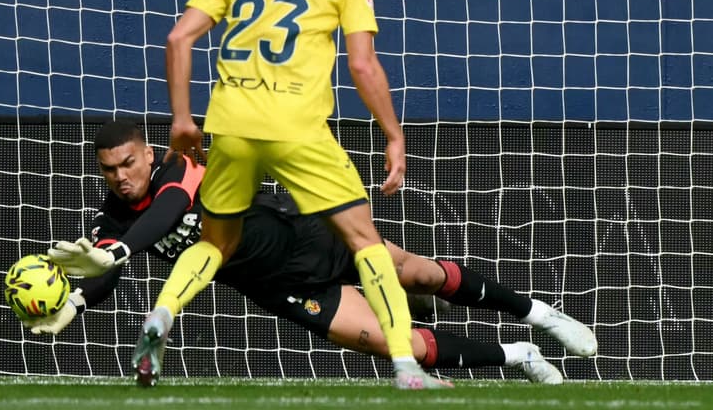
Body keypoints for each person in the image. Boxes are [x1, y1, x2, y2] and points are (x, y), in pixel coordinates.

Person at [43, 120, 597, 387]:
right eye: (110, 170)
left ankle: (539, 314)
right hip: (281, 288)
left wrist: (117, 251)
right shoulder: (113, 219)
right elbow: (103, 266)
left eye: (129, 163)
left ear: (147, 154)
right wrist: (75, 301)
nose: (121, 176)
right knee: (398, 346)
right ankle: (519, 355)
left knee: (422, 275)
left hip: (307, 236)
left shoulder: (178, 169)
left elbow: (165, 215)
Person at [149, 0, 435, 389]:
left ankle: (164, 312)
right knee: (364, 242)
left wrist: (183, 119)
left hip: (231, 125)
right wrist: (393, 135)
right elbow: (363, 65)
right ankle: (405, 364)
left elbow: (178, 38)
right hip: (297, 128)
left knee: (216, 243)